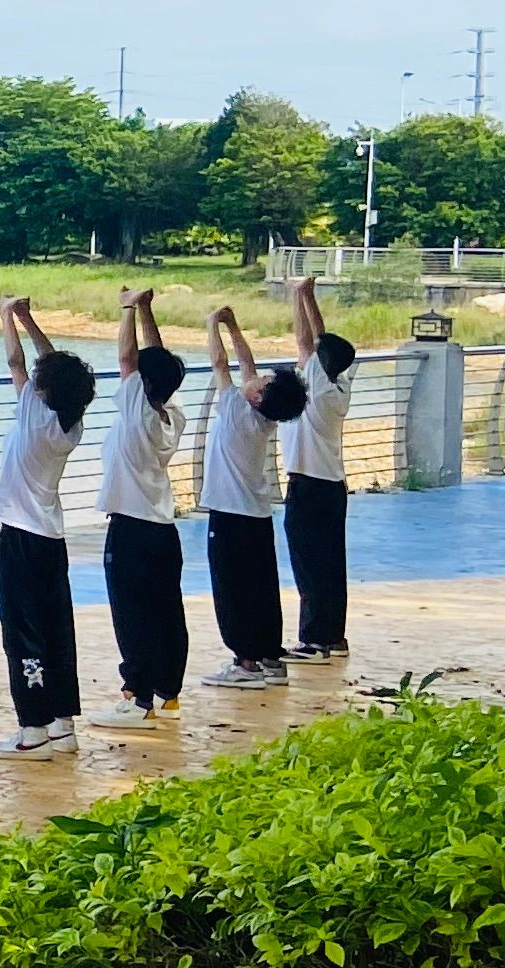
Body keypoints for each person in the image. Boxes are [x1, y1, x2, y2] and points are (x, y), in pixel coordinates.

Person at [0, 294, 96, 758]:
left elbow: (18, 361)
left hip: (20, 536)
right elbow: (50, 367)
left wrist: (6, 317)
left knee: (23, 631)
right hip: (51, 537)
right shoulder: (71, 425)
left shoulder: (34, 415)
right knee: (56, 628)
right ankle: (62, 725)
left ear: (44, 389)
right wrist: (27, 317)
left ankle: (32, 728)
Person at [96, 287, 192, 729]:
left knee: (133, 615)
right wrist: (147, 309)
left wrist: (127, 309)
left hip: (132, 529)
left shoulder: (137, 414)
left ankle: (137, 700)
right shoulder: (172, 414)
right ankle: (168, 694)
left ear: (143, 384)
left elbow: (128, 358)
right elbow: (154, 360)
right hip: (162, 528)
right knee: (166, 611)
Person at [201, 303, 307, 689]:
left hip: (230, 516)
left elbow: (220, 364)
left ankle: (245, 663)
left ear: (259, 396)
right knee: (261, 587)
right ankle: (269, 657)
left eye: (262, 381)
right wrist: (233, 325)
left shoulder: (234, 408)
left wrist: (213, 325)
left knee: (232, 590)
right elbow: (245, 365)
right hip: (257, 516)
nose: (256, 377)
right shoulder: (262, 418)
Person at [284, 273, 360, 660]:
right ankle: (333, 636)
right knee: (331, 563)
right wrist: (304, 296)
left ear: (321, 363)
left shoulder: (320, 384)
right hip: (331, 485)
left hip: (309, 485)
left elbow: (308, 341)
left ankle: (314, 640)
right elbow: (316, 342)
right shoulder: (339, 386)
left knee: (309, 564)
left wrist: (303, 296)